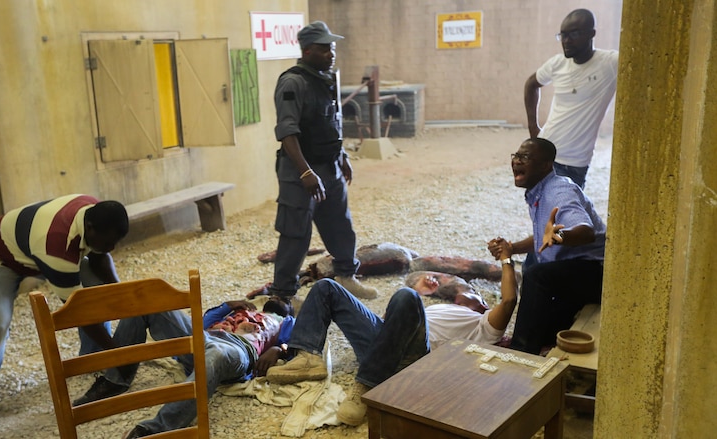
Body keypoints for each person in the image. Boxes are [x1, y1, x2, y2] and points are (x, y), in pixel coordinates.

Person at [265, 240, 517, 426]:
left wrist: (506, 258)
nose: (467, 290)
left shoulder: (484, 326)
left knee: (407, 296)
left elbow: (508, 301)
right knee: (327, 287)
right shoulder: (442, 307)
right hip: (382, 344)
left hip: (413, 361)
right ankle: (307, 356)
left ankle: (366, 385)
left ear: (483, 304)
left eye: (474, 294)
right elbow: (392, 319)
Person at [0, 195, 129, 432]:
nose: (112, 248)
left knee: (96, 290)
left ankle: (92, 359)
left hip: (33, 252)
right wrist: (121, 355)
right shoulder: (56, 246)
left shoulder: (94, 211)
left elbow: (99, 258)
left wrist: (124, 294)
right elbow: (79, 312)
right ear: (90, 228)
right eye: (109, 242)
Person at [72, 296, 295, 439]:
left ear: (288, 310)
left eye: (282, 300)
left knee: (215, 355)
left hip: (238, 350)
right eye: (273, 296)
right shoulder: (243, 309)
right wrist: (228, 306)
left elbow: (295, 343)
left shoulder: (285, 321)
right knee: (148, 303)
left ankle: (154, 430)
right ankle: (115, 379)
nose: (276, 298)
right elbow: (203, 320)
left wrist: (278, 349)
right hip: (205, 337)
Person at [270, 20, 378, 300]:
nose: (331, 55)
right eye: (324, 50)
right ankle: (283, 296)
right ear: (307, 51)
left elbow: (330, 123)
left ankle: (346, 277)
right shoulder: (292, 82)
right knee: (296, 233)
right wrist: (305, 173)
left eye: (332, 49)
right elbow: (287, 131)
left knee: (340, 225)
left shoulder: (325, 79)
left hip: (330, 167)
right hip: (299, 170)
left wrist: (341, 155)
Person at [489, 137, 605, 355]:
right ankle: (537, 342)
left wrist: (559, 235)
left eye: (525, 157)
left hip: (597, 272)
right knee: (545, 329)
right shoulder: (539, 190)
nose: (516, 161)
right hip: (573, 272)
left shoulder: (558, 192)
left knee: (536, 275)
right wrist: (512, 248)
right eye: (516, 156)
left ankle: (519, 352)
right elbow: (543, 236)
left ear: (545, 165)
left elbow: (585, 231)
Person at [524, 8, 618, 189]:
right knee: (542, 213)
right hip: (544, 152)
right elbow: (531, 84)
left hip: (574, 163)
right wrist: (533, 129)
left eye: (573, 34)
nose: (566, 41)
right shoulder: (557, 63)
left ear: (592, 33)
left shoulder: (610, 63)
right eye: (562, 35)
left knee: (565, 215)